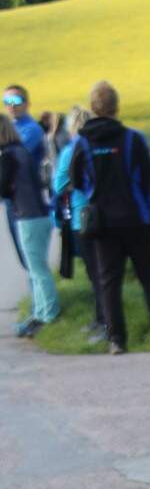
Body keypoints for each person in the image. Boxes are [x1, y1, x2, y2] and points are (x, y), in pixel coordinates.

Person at [71, 79, 150, 354]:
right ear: (116, 107)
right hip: (136, 218)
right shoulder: (132, 139)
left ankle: (116, 339)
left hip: (102, 223)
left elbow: (76, 181)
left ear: (93, 108)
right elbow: (148, 177)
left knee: (109, 282)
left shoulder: (82, 143)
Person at [51, 105, 108, 345]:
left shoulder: (70, 150)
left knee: (94, 271)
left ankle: (104, 322)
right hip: (104, 212)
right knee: (102, 270)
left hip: (81, 216)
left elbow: (58, 185)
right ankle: (102, 318)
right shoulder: (100, 145)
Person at [0, 108, 60, 336]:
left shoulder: (8, 155)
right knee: (36, 268)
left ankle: (48, 314)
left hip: (28, 216)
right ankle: (40, 313)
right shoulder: (21, 151)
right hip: (38, 213)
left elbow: (3, 187)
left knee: (37, 269)